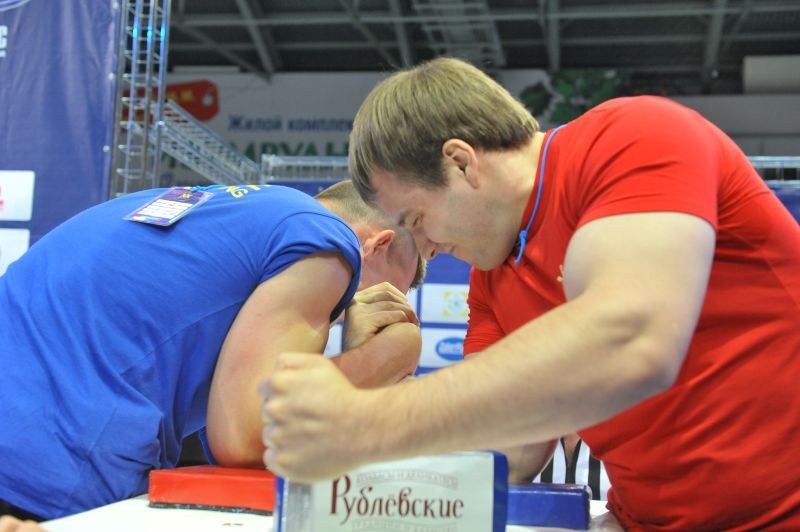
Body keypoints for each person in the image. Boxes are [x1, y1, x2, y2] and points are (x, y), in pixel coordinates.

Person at [260, 57, 800, 530]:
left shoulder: (636, 136)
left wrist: (365, 421)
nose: (425, 250)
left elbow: (631, 341)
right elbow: (510, 451)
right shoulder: (492, 275)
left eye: (418, 219)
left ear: (461, 162)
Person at [0, 180, 425, 521]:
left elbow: (230, 449)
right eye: (390, 295)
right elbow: (246, 437)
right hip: (47, 468)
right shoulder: (325, 239)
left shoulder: (230, 217)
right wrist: (388, 354)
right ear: (378, 244)